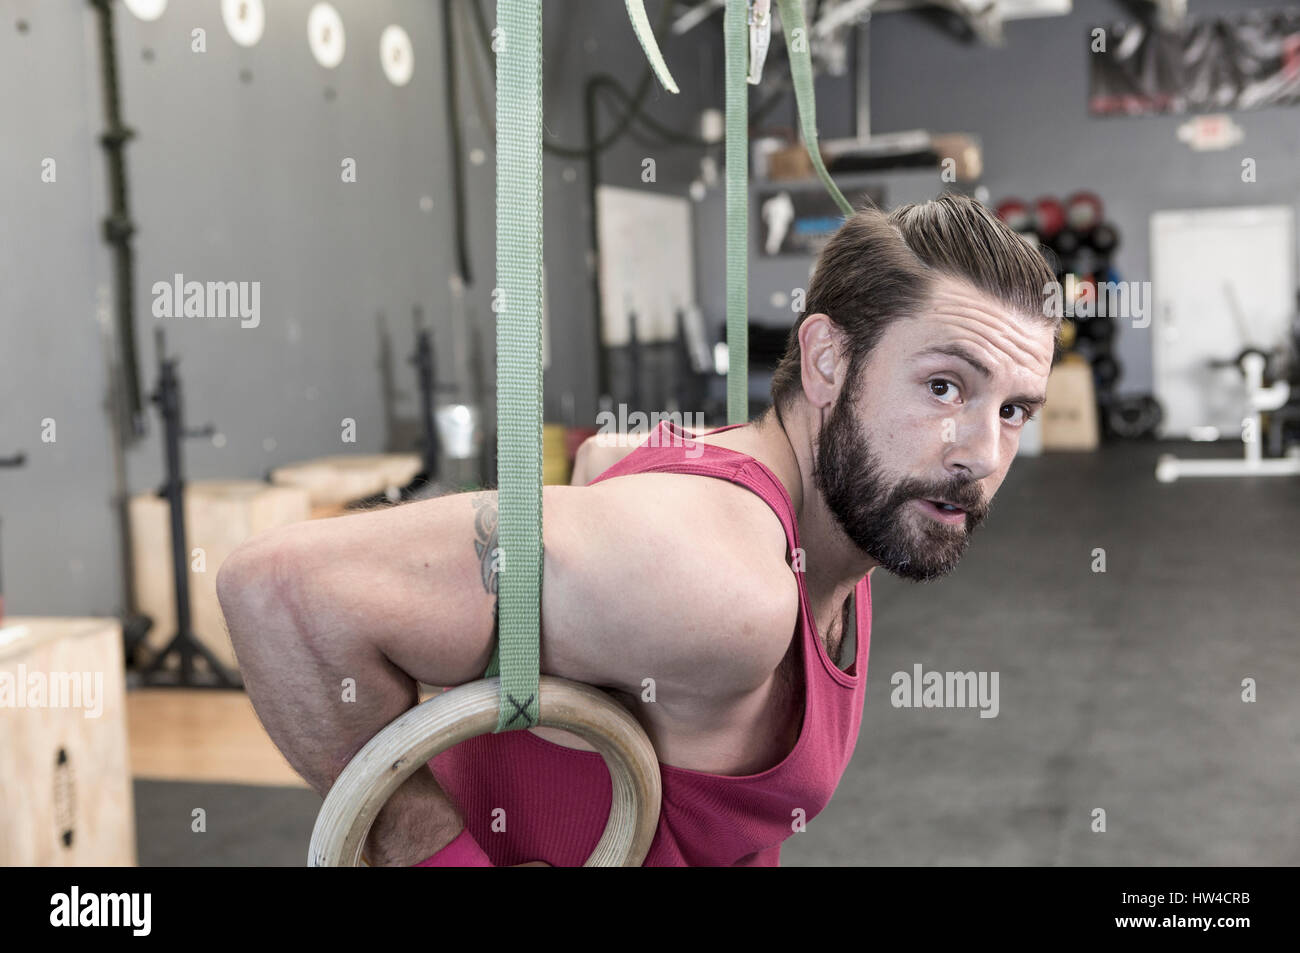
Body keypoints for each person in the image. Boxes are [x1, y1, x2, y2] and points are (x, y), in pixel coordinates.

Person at [217, 192, 1059, 866]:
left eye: (1015, 409)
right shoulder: (724, 583)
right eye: (945, 387)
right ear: (828, 362)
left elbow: (612, 469)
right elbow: (285, 590)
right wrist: (437, 854)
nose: (981, 454)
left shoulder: (844, 520)